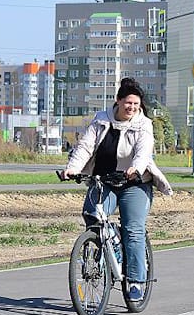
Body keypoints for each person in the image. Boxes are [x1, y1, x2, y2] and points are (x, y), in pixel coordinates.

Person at [62, 77, 172, 302]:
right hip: (104, 180)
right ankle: (102, 251)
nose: (131, 108)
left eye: (136, 104)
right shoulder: (101, 121)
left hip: (135, 183)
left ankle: (135, 281)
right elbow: (85, 147)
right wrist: (72, 169)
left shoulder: (144, 125)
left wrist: (136, 168)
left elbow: (144, 152)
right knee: (93, 216)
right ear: (118, 101)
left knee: (133, 230)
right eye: (128, 103)